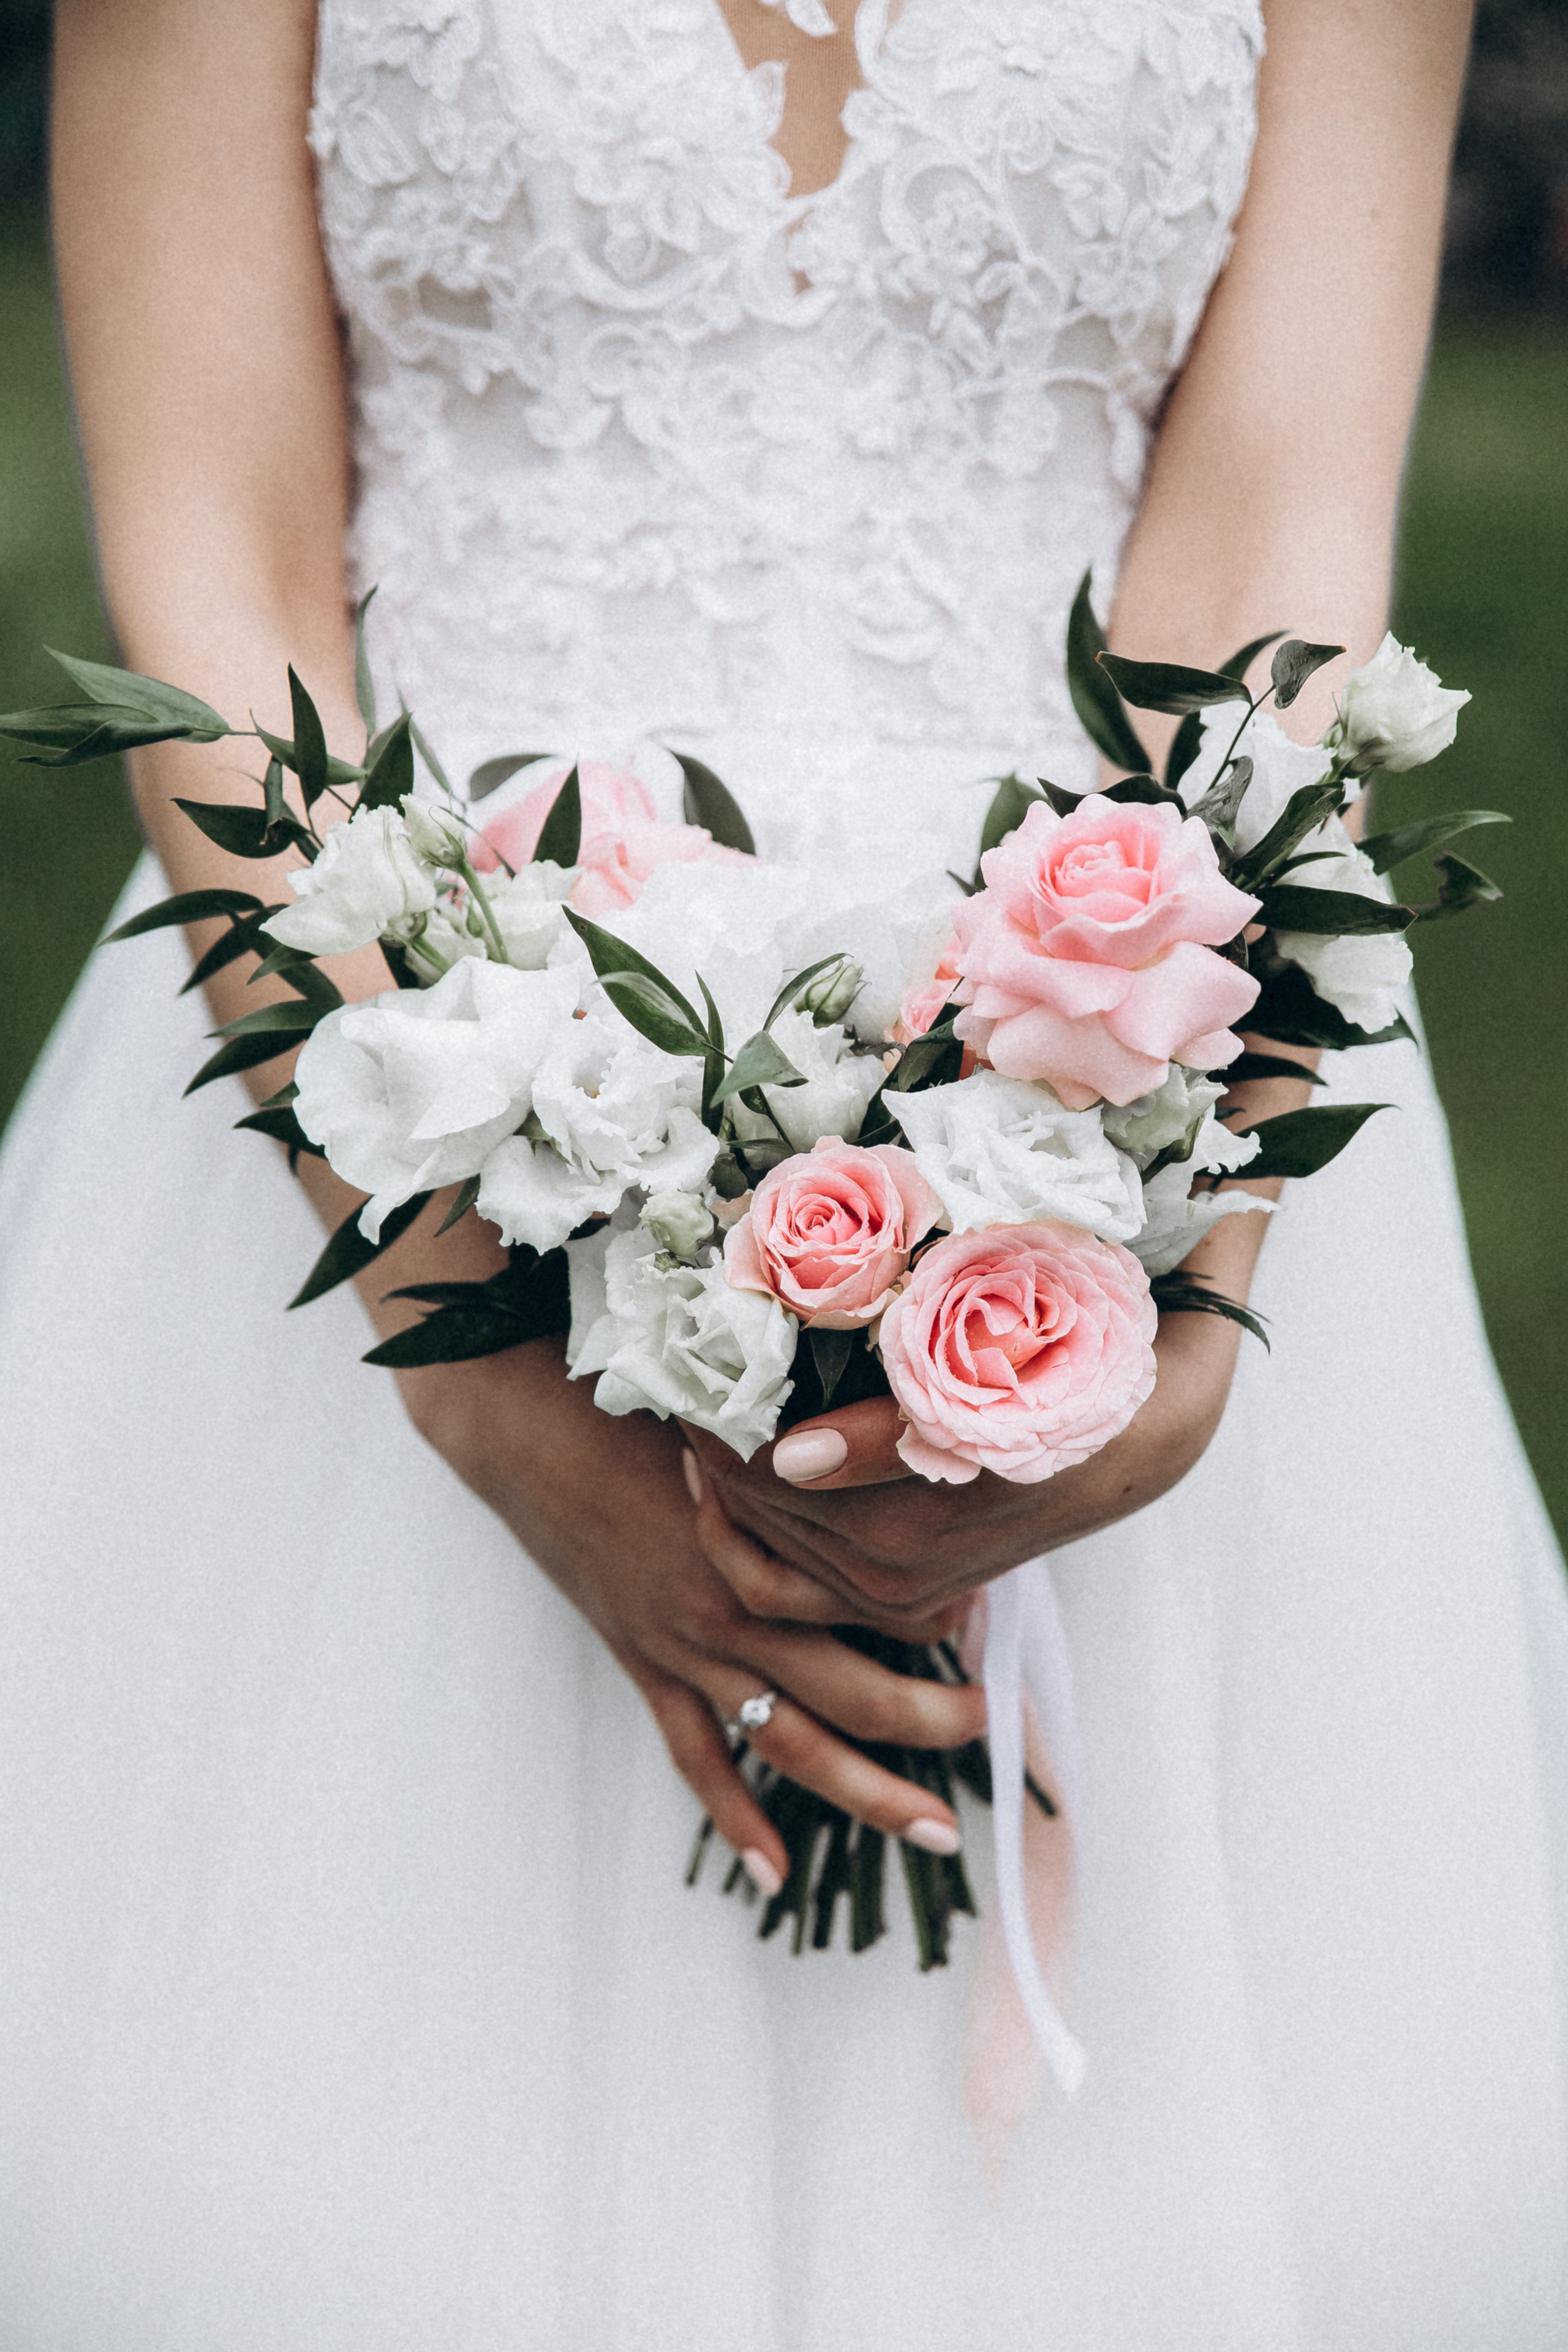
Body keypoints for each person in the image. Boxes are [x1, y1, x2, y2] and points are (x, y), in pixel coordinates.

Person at [1, 0, 1562, 2342]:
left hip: (1108, 1041)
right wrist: (456, 1353)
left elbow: (1276, 550)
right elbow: (221, 561)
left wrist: (1165, 1285)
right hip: (397, 1041)